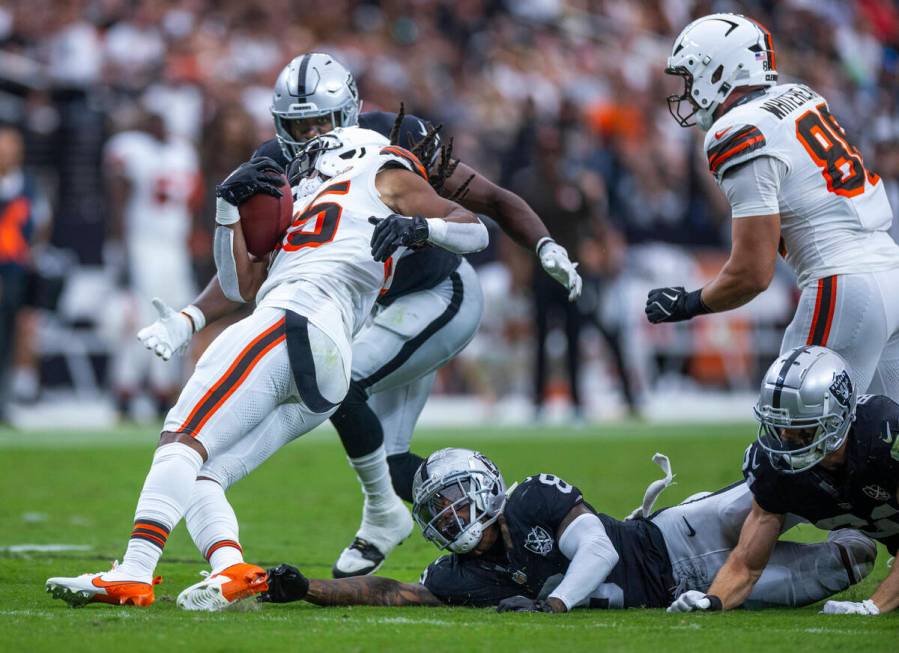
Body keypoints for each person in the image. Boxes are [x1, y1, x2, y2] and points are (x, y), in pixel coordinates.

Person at [135, 53, 583, 579]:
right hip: (365, 307)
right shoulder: (273, 164)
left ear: (347, 112)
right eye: (295, 123)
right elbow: (259, 266)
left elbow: (490, 202)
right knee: (388, 456)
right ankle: (483, 526)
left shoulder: (391, 142)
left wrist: (544, 243)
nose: (308, 134)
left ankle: (407, 512)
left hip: (437, 290)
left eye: (319, 121)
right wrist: (190, 316)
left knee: (342, 383)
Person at [45, 125, 489, 609]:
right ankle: (231, 568)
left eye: (319, 147)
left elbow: (475, 228)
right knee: (206, 473)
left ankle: (134, 570)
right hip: (329, 366)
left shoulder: (383, 174)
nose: (305, 157)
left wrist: (425, 226)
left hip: (292, 321)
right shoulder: (310, 202)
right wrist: (225, 213)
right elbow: (240, 284)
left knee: (182, 438)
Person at [257, 447, 874, 612]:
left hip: (679, 538)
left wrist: (554, 602)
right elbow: (392, 591)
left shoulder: (528, 498)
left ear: (482, 490)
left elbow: (599, 548)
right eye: (437, 516)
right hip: (680, 594)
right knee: (852, 560)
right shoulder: (463, 573)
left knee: (792, 486)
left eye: (452, 504)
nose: (449, 520)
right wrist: (305, 586)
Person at [644, 14, 899, 404]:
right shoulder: (800, 96)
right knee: (881, 443)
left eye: (692, 77)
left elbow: (752, 272)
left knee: (790, 435)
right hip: (891, 269)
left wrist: (687, 303)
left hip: (842, 283)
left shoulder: (737, 129)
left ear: (719, 72)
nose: (689, 92)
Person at [669, 346, 899, 616]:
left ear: (839, 419)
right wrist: (712, 601)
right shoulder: (776, 467)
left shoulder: (886, 440)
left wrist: (872, 607)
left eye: (803, 428)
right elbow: (746, 564)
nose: (788, 440)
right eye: (781, 426)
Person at [103, 108, 200, 420]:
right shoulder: (132, 148)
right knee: (141, 315)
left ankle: (163, 386)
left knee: (176, 313)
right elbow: (118, 195)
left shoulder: (182, 152)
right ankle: (126, 386)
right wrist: (120, 245)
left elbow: (193, 202)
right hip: (143, 242)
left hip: (174, 245)